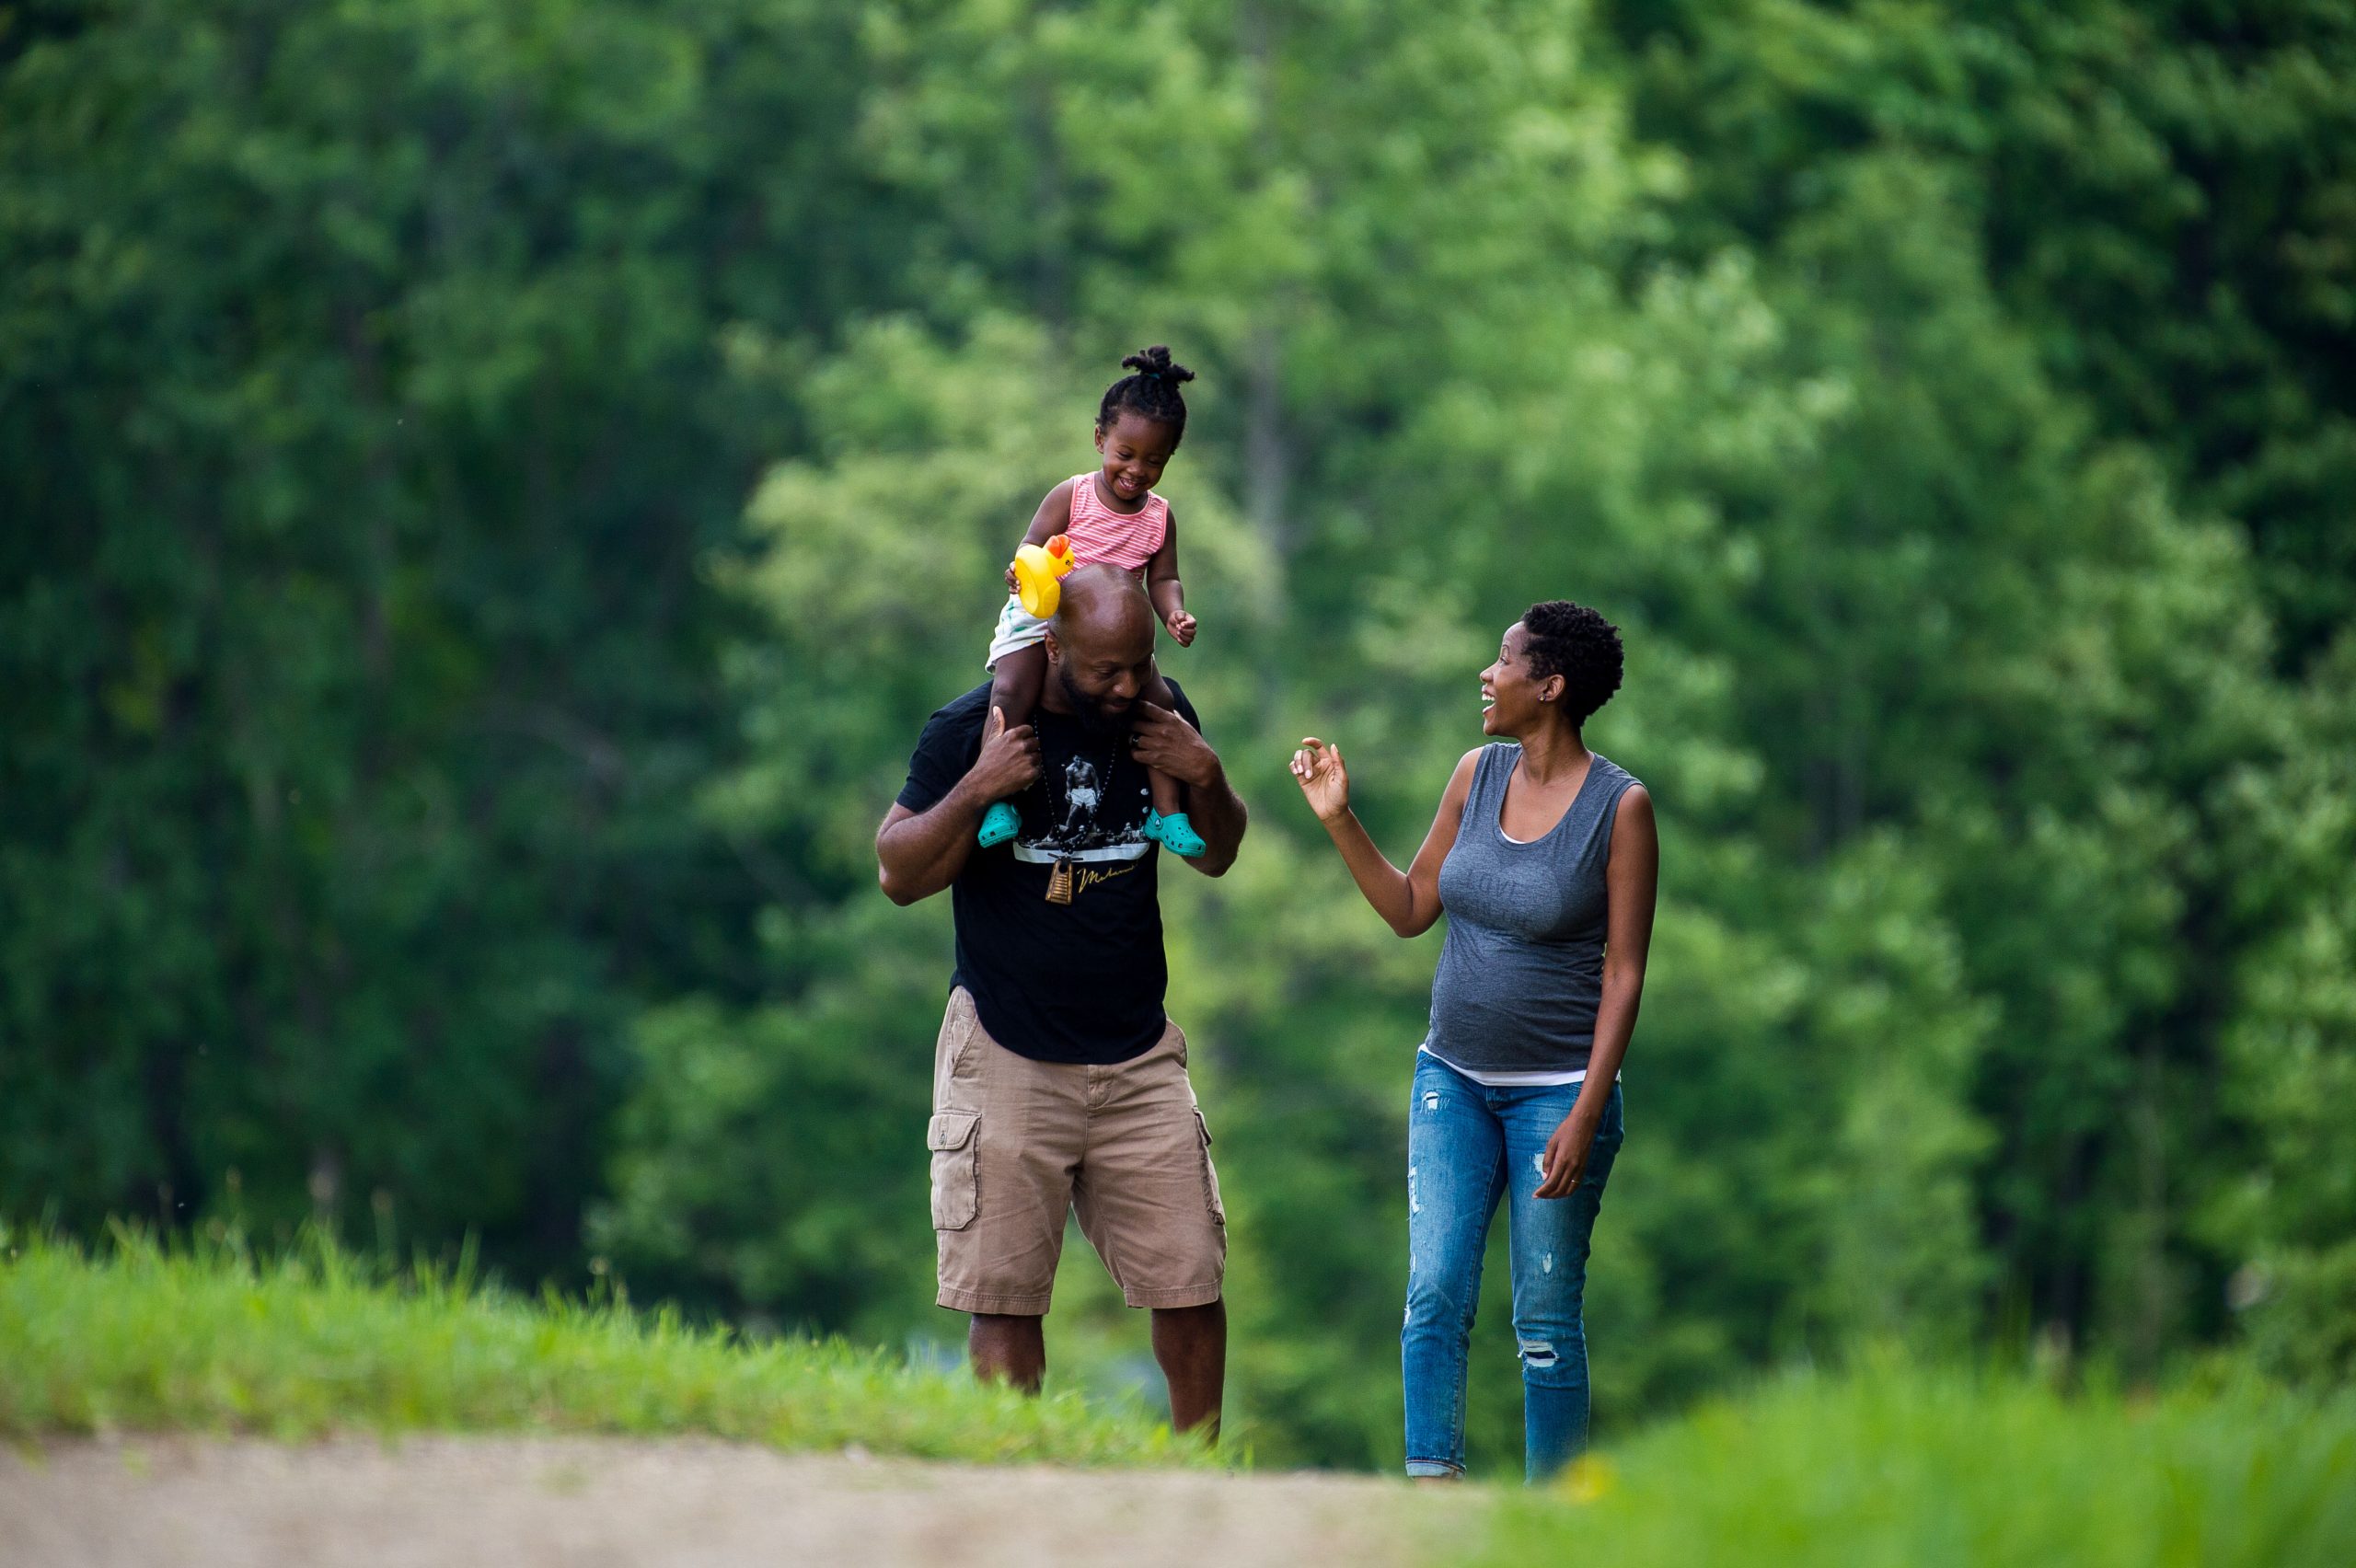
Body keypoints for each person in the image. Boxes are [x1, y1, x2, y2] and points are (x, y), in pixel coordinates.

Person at [1288, 600, 1658, 1482]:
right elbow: (1413, 910)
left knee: (1544, 1320)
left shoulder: (1622, 807)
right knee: (1434, 1296)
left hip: (1557, 1096)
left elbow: (1626, 973)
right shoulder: (1475, 773)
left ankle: (1552, 1520)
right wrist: (1340, 818)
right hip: (1451, 1079)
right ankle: (1432, 1491)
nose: (1487, 676)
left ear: (1551, 685)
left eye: (1504, 661)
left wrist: (1585, 1110)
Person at [877, 563, 1248, 1435]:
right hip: (1006, 1051)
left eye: (1138, 666)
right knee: (1004, 1302)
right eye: (1104, 672)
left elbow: (1217, 853)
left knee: (1192, 1280)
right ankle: (1015, 1476)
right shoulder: (972, 729)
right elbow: (898, 873)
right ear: (1053, 647)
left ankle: (1197, 1476)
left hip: (1137, 1056)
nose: (1125, 688)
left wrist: (1208, 771)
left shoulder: (1160, 715)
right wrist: (978, 787)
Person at [977, 346, 1207, 858]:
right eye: (1126, 454)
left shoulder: (1160, 517)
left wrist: (1173, 611)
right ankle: (998, 797)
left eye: (1154, 461)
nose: (1137, 470)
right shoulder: (1072, 496)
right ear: (1100, 439)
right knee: (1011, 690)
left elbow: (1163, 576)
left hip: (1112, 639)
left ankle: (1167, 815)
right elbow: (1031, 544)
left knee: (1161, 706)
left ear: (1169, 459)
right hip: (1045, 614)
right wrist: (1021, 569)